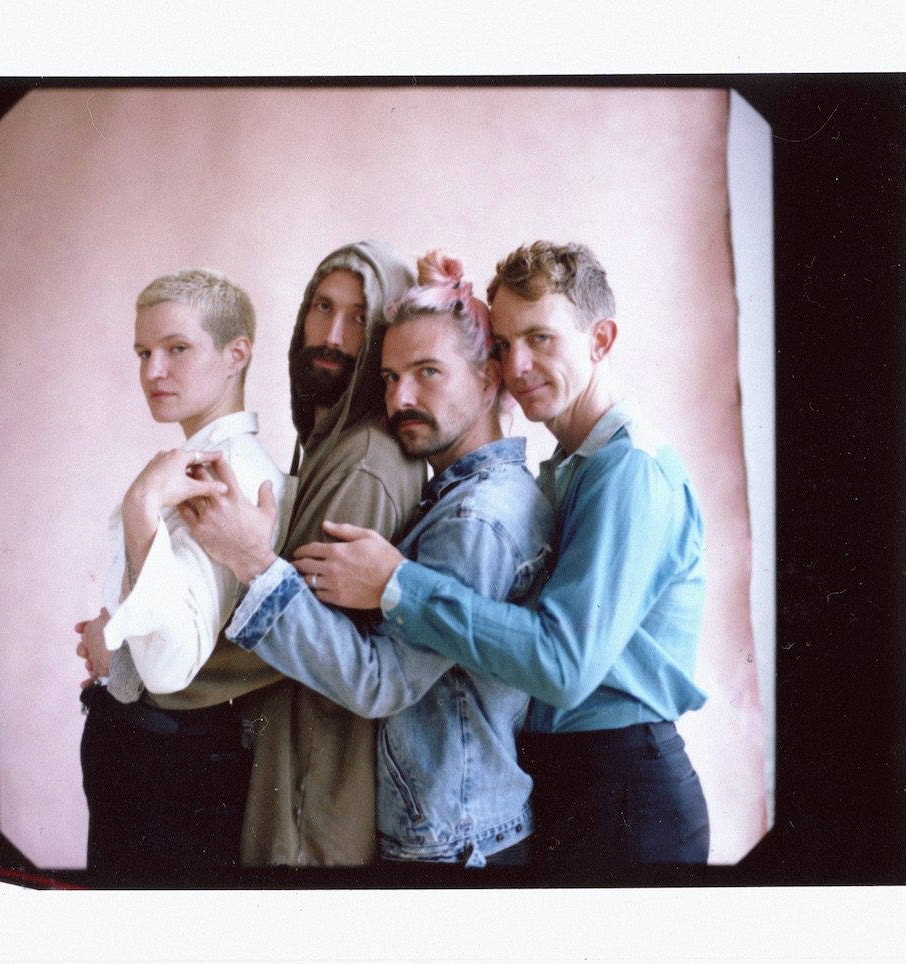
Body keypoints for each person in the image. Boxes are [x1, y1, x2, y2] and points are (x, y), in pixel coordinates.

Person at [295, 241, 711, 872]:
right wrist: (446, 308)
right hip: (574, 779)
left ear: (601, 340)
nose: (518, 365)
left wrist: (398, 585)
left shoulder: (629, 470)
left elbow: (562, 663)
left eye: (542, 339)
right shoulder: (571, 463)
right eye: (504, 344)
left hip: (624, 791)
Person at [183, 251, 553, 866]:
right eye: (388, 376)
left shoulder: (475, 519)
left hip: (453, 844)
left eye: (427, 373)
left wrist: (253, 560)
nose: (400, 396)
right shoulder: (463, 493)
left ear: (489, 381)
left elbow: (380, 681)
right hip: (448, 828)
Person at [74, 268, 292, 878]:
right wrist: (114, 643)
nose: (152, 372)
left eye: (177, 349)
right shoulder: (198, 463)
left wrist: (143, 504)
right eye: (144, 352)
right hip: (152, 760)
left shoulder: (231, 478)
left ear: (236, 355)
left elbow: (170, 668)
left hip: (169, 771)